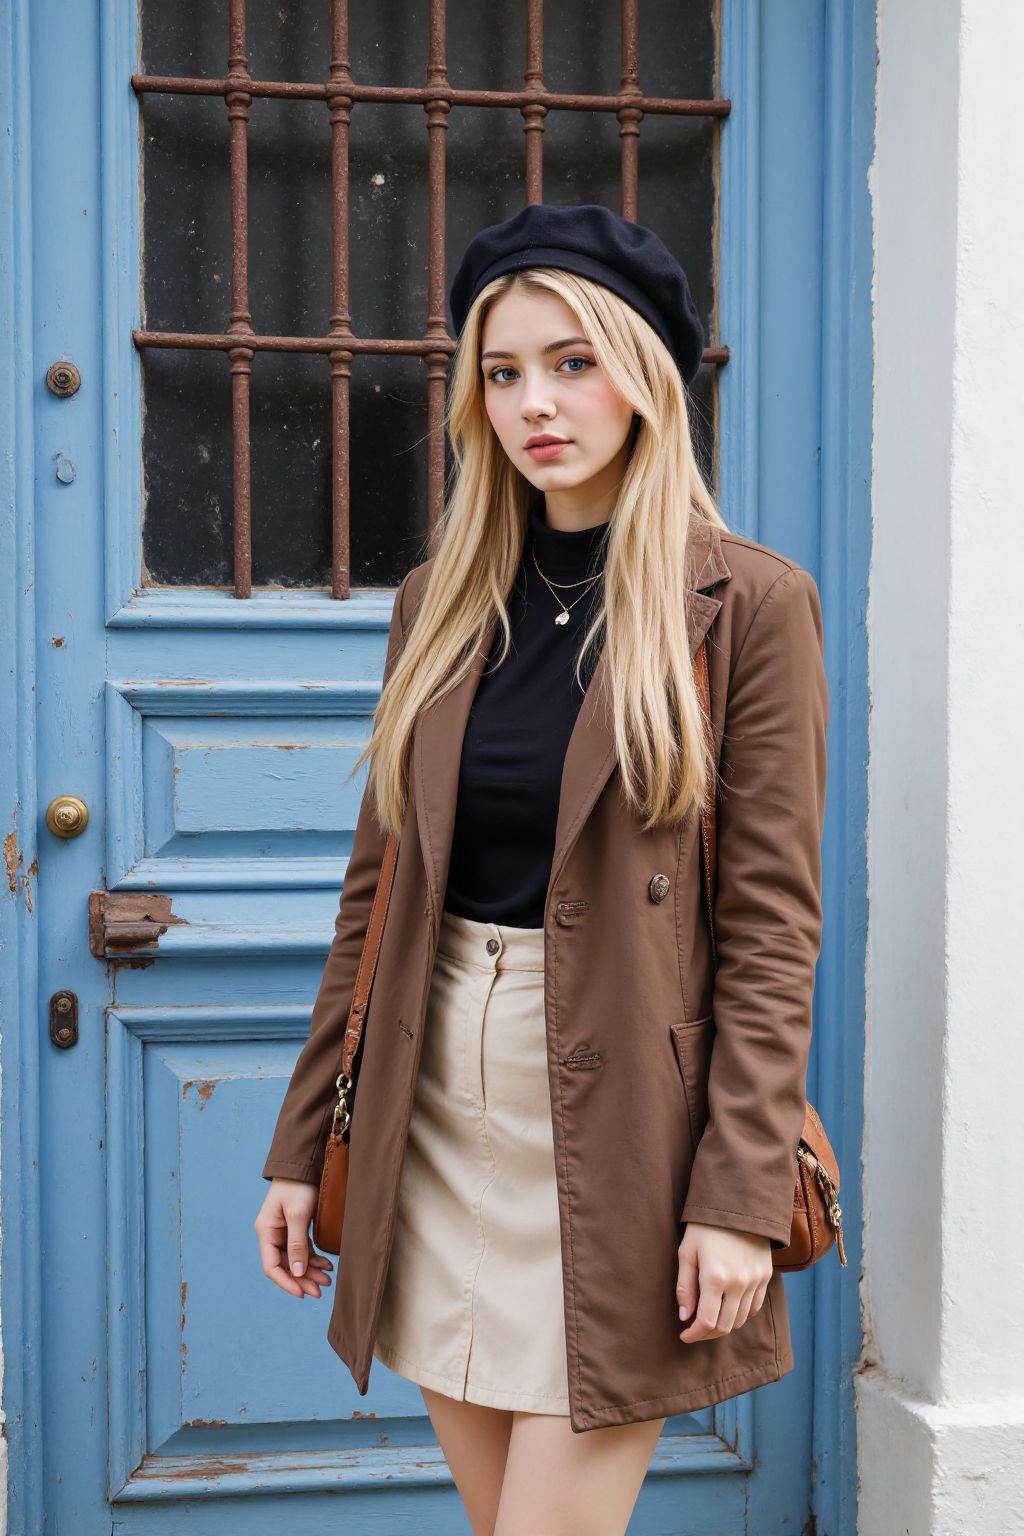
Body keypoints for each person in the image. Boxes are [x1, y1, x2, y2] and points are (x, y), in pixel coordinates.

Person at [254, 203, 829, 1535]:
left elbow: (770, 933)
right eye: (503, 372)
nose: (535, 404)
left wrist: (739, 1197)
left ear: (644, 376)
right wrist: (301, 1145)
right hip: (435, 1102)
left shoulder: (746, 606)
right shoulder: (441, 601)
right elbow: (374, 899)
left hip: (624, 1124)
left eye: (574, 363)